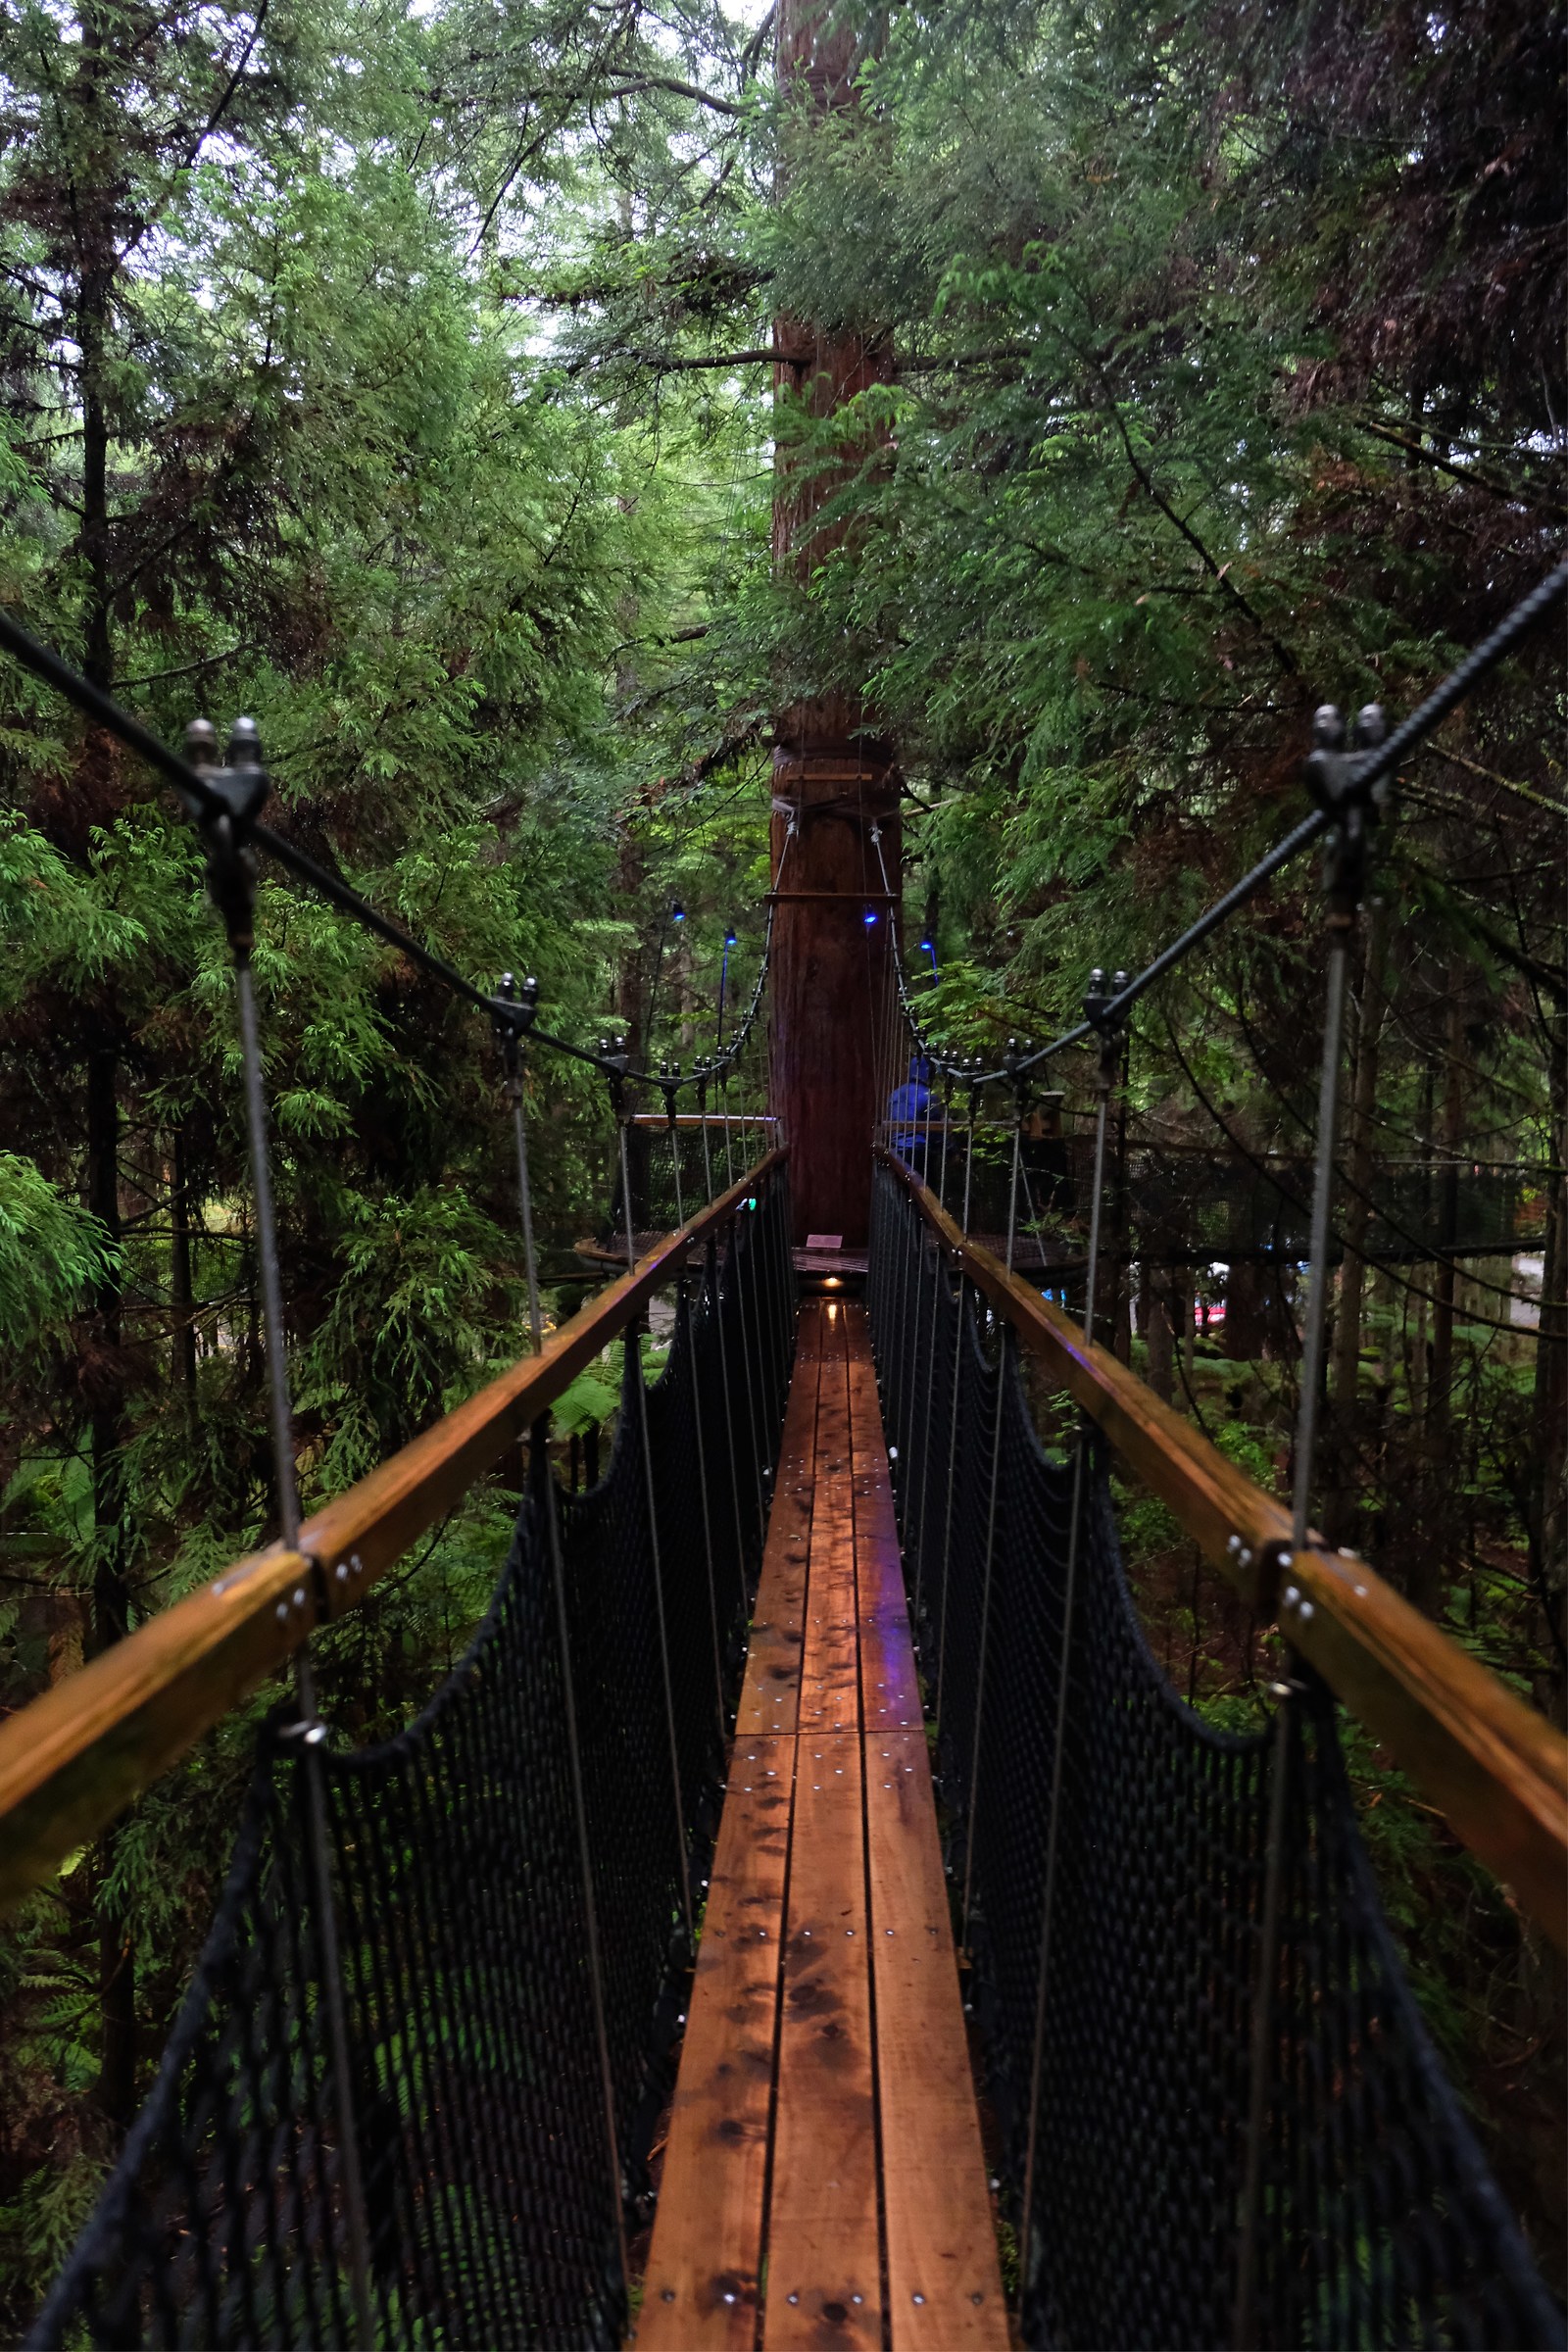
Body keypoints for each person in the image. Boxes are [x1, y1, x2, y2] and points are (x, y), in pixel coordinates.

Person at [888, 1054, 936, 1176]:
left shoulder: (895, 1094)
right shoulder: (929, 1096)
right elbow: (937, 1131)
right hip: (919, 1151)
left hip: (896, 1150)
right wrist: (952, 1152)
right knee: (922, 1189)